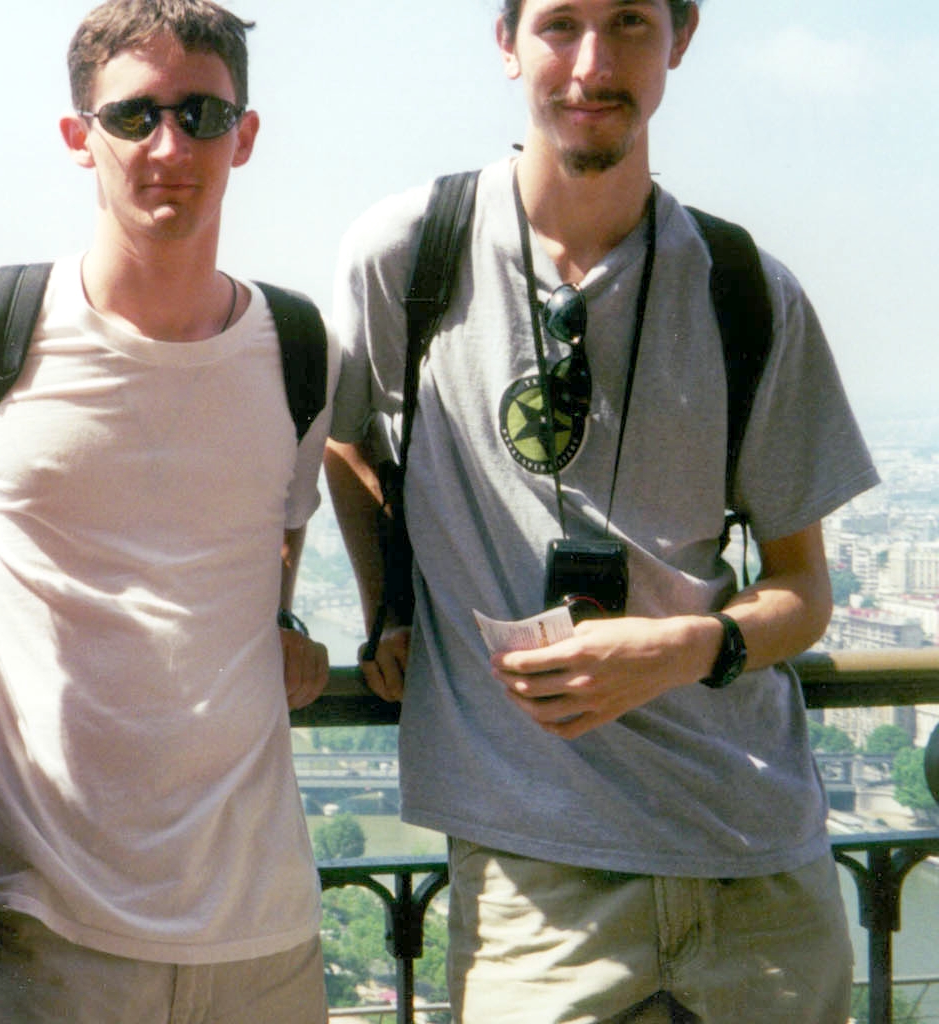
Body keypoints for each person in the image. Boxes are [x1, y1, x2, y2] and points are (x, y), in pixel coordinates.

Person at [325, 2, 877, 1021]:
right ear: (506, 45)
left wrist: (676, 651)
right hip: (541, 879)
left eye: (628, 21)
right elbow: (349, 440)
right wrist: (390, 605)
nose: (591, 63)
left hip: (757, 865)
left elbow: (803, 593)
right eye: (559, 24)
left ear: (681, 39)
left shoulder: (747, 289)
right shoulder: (411, 260)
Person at [0, 1, 334, 1020]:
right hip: (46, 912)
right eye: (134, 116)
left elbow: (275, 532)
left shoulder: (298, 347)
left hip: (260, 921)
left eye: (203, 115)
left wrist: (285, 621)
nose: (170, 146)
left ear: (246, 136)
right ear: (80, 138)